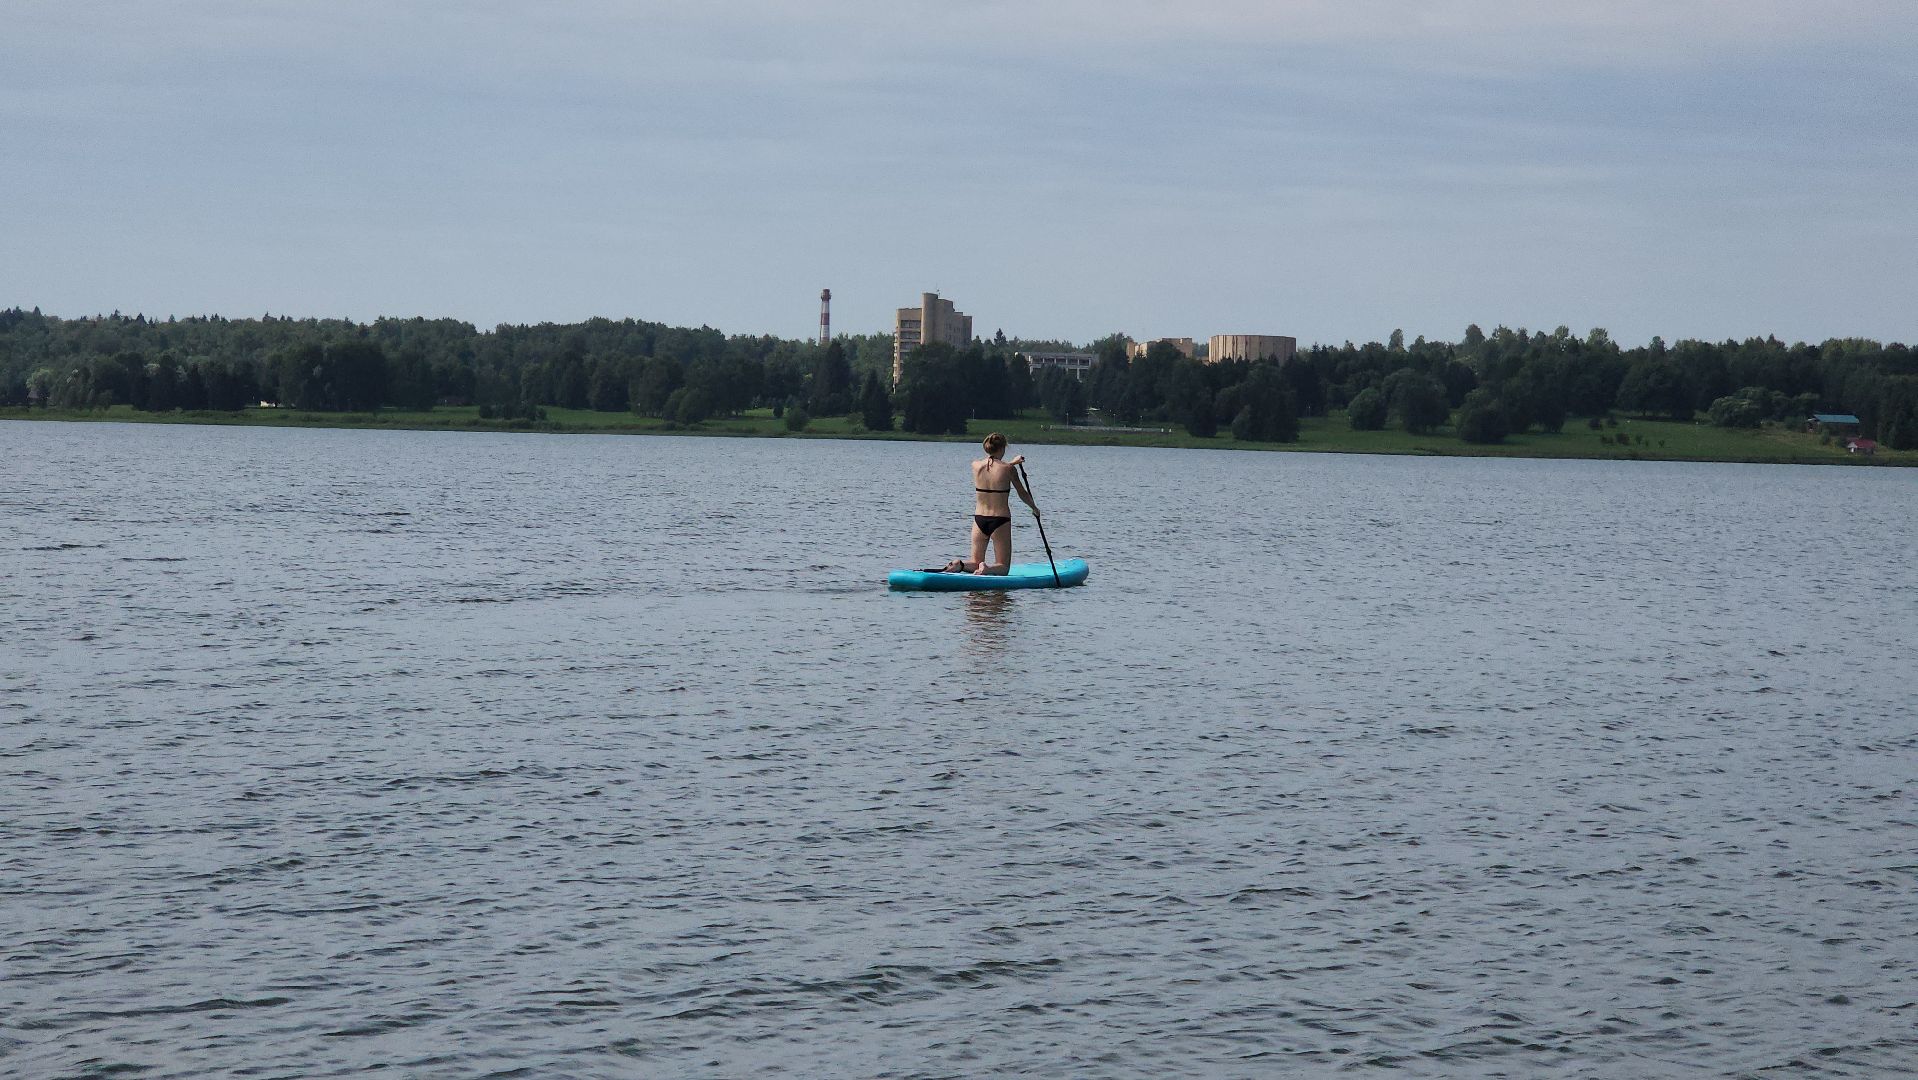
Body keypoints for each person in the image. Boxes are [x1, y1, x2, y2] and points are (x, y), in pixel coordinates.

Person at [941, 433, 1038, 575]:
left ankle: (959, 565)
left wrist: (1011, 463)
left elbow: (993, 468)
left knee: (975, 562)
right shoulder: (1009, 469)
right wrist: (1034, 508)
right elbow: (1022, 492)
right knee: (1003, 567)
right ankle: (986, 569)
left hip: (979, 519)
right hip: (1000, 520)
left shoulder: (975, 466)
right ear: (1003, 448)